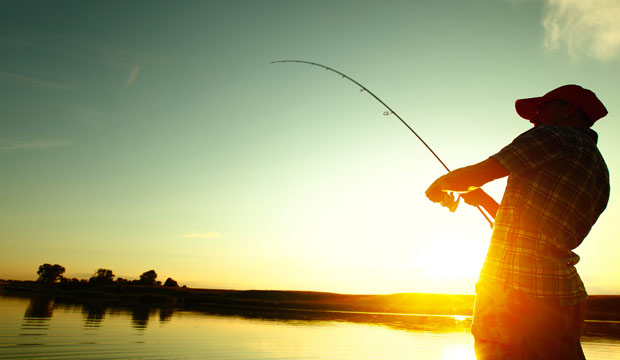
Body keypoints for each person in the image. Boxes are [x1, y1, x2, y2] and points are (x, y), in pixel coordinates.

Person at [425, 84, 609, 359]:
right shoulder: (599, 168)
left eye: (541, 108)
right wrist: (483, 199)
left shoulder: (553, 136)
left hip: (513, 289)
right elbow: (536, 229)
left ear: (568, 109)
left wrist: (440, 184)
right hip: (565, 295)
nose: (534, 118)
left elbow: (482, 171)